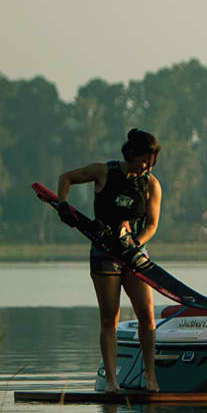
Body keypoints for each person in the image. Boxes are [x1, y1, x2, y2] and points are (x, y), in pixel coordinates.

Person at [57, 129, 162, 393]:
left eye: (151, 162)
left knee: (147, 316)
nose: (147, 166)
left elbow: (151, 225)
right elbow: (66, 178)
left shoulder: (151, 184)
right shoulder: (103, 172)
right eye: (143, 160)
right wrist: (62, 205)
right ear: (131, 154)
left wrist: (135, 244)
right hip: (104, 253)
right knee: (109, 318)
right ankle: (112, 383)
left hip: (134, 254)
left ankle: (151, 378)